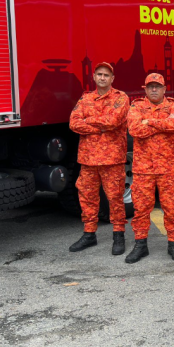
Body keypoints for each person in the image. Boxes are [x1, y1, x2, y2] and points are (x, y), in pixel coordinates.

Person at [68, 62, 130, 255]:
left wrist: (88, 121)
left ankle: (118, 235)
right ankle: (89, 234)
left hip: (112, 158)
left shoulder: (121, 98)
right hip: (88, 159)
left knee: (115, 198)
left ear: (112, 79)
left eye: (106, 75)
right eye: (100, 74)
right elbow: (73, 123)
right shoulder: (85, 98)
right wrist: (99, 128)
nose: (103, 78)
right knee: (87, 197)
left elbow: (113, 121)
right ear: (94, 77)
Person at [125, 73, 174, 263]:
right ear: (145, 89)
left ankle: (173, 243)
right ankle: (140, 245)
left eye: (157, 86)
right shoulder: (136, 106)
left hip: (167, 168)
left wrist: (149, 121)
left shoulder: (173, 106)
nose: (153, 89)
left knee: (171, 207)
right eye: (150, 86)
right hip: (143, 168)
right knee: (141, 208)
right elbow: (134, 130)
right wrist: (161, 125)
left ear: (164, 89)